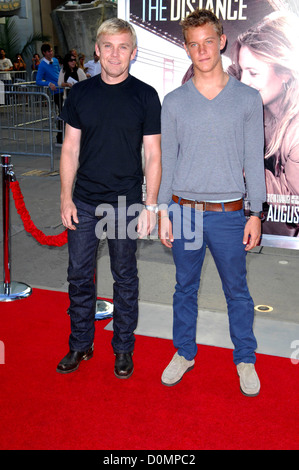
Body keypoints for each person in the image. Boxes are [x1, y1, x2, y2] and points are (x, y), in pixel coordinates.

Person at [158, 9, 266, 397]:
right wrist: (163, 212)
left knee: (237, 290)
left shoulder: (248, 99)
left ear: (221, 41)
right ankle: (184, 353)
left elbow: (254, 161)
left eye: (208, 41)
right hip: (183, 211)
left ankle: (245, 359)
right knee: (183, 288)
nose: (202, 50)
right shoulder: (173, 102)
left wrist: (256, 213)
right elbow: (167, 161)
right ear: (186, 48)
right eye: (193, 43)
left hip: (230, 215)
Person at [56, 18, 161, 378]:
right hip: (84, 201)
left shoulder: (146, 95)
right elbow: (70, 149)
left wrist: (150, 205)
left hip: (127, 202)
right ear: (97, 51)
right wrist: (65, 198)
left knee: (125, 277)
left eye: (123, 47)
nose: (115, 54)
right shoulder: (80, 94)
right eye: (108, 46)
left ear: (134, 52)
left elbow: (154, 154)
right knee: (79, 276)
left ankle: (123, 348)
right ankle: (81, 344)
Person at [228, 12, 299, 237]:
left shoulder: (296, 129)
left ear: (285, 73)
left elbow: (294, 203)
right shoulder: (261, 110)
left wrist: (243, 166)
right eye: (242, 71)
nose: (244, 82)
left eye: (254, 73)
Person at [36, 43, 63, 144]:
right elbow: (38, 80)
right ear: (44, 53)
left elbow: (60, 72)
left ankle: (65, 136)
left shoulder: (55, 61)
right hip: (56, 92)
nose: (51, 53)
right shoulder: (42, 65)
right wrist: (49, 83)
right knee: (62, 114)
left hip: (63, 88)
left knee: (67, 113)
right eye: (49, 51)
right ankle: (59, 137)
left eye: (51, 51)